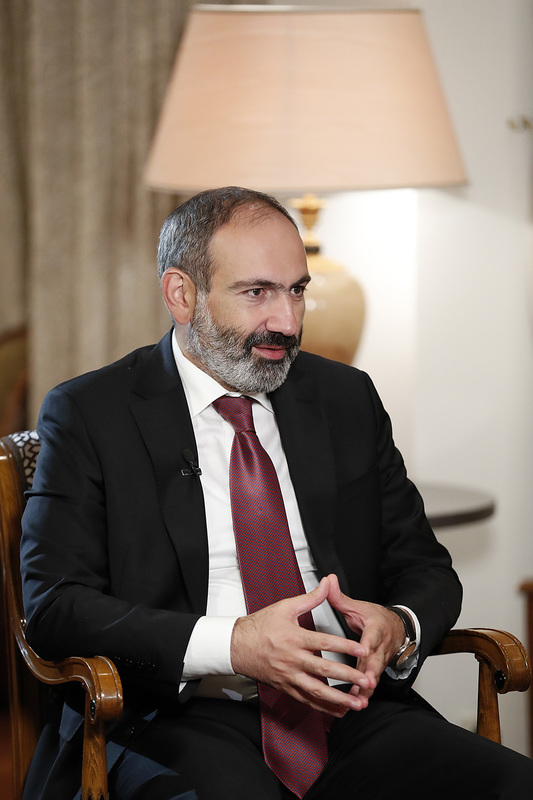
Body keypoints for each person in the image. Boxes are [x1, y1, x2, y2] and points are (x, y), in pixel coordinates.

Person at [21, 186, 533, 800]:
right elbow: (55, 606)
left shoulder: (345, 398)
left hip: (346, 712)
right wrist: (235, 644)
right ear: (181, 295)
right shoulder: (91, 412)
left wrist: (398, 625)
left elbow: (424, 567)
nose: (287, 323)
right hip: (174, 716)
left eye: (297, 291)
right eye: (257, 293)